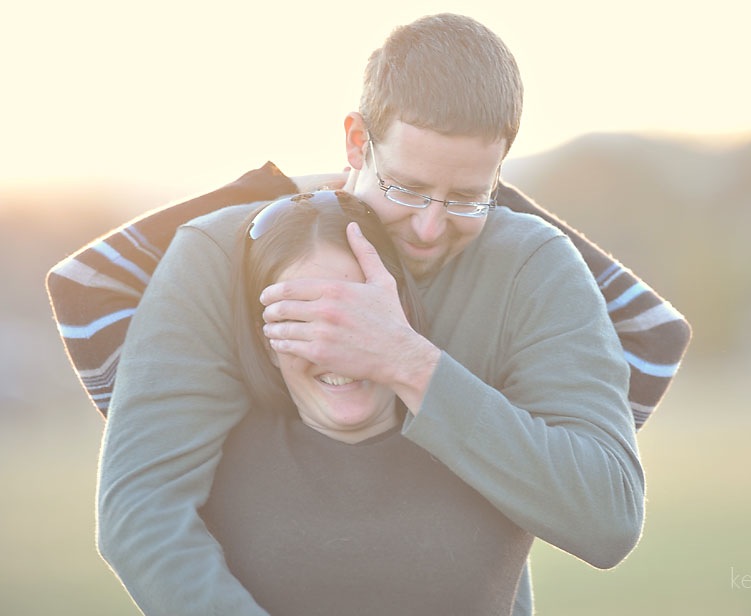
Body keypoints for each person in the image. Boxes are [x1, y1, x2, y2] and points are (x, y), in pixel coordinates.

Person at [46, 13, 691, 615]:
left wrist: (407, 360)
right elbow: (141, 512)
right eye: (406, 189)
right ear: (357, 142)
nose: (431, 228)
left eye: (468, 197)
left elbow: (607, 520)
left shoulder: (534, 268)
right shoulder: (220, 255)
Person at [199, 189, 534, 614]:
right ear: (264, 341)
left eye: (359, 313)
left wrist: (475, 190)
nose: (333, 345)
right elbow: (94, 283)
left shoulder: (489, 439)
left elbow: (640, 330)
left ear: (403, 314)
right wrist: (310, 185)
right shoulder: (207, 461)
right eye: (302, 319)